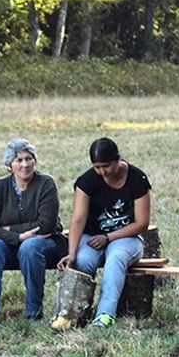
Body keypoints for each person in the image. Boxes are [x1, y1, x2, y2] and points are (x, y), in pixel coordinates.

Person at [57, 138, 152, 329]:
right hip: (91, 236)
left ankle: (105, 315)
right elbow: (78, 219)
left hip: (126, 237)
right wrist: (72, 252)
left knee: (115, 259)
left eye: (106, 166)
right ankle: (76, 314)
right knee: (83, 261)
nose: (102, 172)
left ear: (117, 160)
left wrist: (109, 237)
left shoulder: (137, 179)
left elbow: (142, 222)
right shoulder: (87, 181)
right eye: (97, 167)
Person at [0, 139, 66, 326]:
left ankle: (34, 311)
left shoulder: (46, 183)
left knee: (30, 246)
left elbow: (46, 225)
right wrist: (18, 236)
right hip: (13, 246)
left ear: (35, 161)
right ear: (9, 166)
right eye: (19, 160)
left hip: (47, 246)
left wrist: (9, 229)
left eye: (29, 159)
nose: (25, 164)